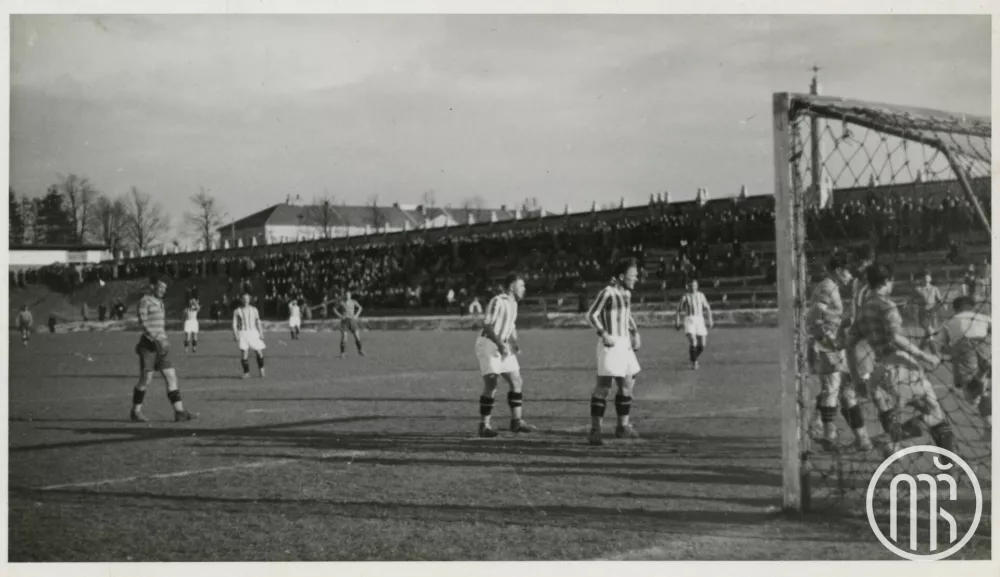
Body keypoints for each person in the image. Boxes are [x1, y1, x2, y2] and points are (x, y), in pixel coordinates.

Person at [845, 264, 949, 458]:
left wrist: (857, 379)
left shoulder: (864, 310)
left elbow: (849, 345)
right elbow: (895, 337)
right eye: (891, 281)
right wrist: (925, 356)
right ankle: (888, 438)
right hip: (902, 365)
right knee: (936, 414)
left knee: (931, 412)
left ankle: (948, 463)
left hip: (882, 370)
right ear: (886, 281)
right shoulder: (887, 305)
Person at [805, 253, 866, 450]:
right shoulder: (828, 287)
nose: (851, 275)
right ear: (839, 270)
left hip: (833, 345)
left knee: (843, 389)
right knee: (833, 389)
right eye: (848, 271)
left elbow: (825, 315)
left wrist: (842, 323)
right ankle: (829, 435)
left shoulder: (831, 287)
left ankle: (857, 437)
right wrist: (826, 338)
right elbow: (815, 314)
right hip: (827, 347)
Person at [586, 257, 642, 446]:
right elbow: (591, 315)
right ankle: (595, 431)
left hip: (625, 344)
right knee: (604, 387)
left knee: (627, 384)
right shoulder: (607, 292)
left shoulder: (627, 294)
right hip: (610, 344)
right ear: (621, 276)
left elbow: (626, 315)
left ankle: (622, 427)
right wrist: (604, 334)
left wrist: (635, 332)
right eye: (633, 275)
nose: (636, 278)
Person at [474, 273, 536, 438]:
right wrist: (500, 344)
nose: (524, 288)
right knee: (491, 384)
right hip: (488, 344)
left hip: (503, 344)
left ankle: (516, 422)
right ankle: (484, 425)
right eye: (521, 285)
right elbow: (487, 325)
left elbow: (511, 326)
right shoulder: (497, 301)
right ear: (511, 286)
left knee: (516, 381)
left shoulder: (514, 304)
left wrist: (513, 343)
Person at [131, 278, 195, 422]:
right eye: (161, 287)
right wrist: (155, 338)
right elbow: (142, 321)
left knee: (171, 377)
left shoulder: (160, 302)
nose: (163, 291)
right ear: (152, 286)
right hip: (148, 346)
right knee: (146, 379)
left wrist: (164, 338)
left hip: (162, 347)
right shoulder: (145, 301)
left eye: (165, 288)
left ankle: (179, 412)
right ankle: (135, 411)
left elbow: (160, 325)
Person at [936, 296, 991, 434]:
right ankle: (989, 428)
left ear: (956, 308)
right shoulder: (984, 318)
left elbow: (941, 347)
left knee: (971, 397)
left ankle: (982, 372)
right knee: (983, 392)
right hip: (987, 350)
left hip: (965, 352)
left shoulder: (949, 322)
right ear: (972, 306)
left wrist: (952, 353)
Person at [675, 278, 713, 370]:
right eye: (691, 286)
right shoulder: (685, 296)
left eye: (694, 285)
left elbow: (707, 308)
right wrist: (677, 321)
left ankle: (693, 357)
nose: (693, 287)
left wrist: (710, 320)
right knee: (693, 340)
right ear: (688, 287)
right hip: (689, 319)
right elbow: (678, 310)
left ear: (697, 286)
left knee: (702, 345)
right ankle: (694, 362)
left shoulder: (701, 295)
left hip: (700, 319)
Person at [233, 292, 266, 378]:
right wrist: (235, 334)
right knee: (244, 354)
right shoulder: (237, 311)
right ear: (241, 300)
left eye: (247, 299)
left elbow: (258, 322)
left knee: (258, 352)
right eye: (244, 299)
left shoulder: (254, 310)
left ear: (249, 299)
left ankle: (262, 370)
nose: (245, 300)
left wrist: (261, 333)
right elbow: (234, 324)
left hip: (253, 332)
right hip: (243, 333)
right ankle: (246, 373)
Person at [910, 271, 943, 347]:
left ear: (930, 278)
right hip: (923, 313)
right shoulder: (917, 289)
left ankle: (921, 349)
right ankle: (939, 346)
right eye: (924, 277)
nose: (926, 278)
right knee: (931, 331)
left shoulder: (934, 288)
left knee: (928, 335)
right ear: (922, 279)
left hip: (933, 313)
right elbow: (912, 300)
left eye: (927, 276)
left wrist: (935, 308)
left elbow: (940, 301)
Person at [335, 291, 365, 358]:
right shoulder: (341, 302)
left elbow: (360, 308)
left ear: (350, 296)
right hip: (344, 322)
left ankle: (360, 350)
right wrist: (340, 316)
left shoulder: (353, 302)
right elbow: (334, 309)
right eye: (345, 295)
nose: (346, 296)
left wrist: (356, 315)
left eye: (348, 295)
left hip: (352, 320)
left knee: (357, 336)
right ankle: (342, 353)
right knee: (344, 337)